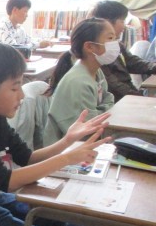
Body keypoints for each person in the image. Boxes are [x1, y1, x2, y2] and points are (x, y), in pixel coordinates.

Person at [0, 43, 111, 226]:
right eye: (14, 88)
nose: (22, 95)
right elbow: (8, 181)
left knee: (56, 215)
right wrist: (67, 158)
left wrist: (67, 140)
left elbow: (27, 158)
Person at [44, 17, 116, 146]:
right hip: (67, 150)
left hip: (84, 144)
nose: (115, 44)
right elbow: (89, 128)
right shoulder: (78, 82)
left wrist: (102, 111)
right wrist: (105, 111)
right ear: (89, 46)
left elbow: (109, 98)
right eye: (110, 38)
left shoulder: (96, 71)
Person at [90, 0, 156, 102]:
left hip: (128, 95)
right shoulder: (96, 50)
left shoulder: (116, 44)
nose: (124, 26)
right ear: (107, 22)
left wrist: (154, 67)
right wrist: (140, 96)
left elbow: (132, 62)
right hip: (117, 101)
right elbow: (113, 85)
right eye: (122, 21)